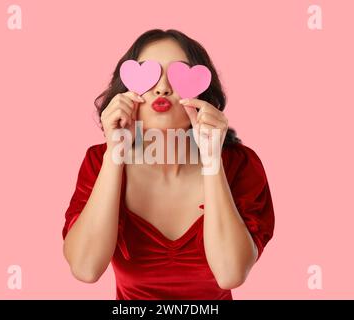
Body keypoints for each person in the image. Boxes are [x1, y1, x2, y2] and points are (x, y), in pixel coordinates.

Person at [62, 29, 275, 300]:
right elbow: (85, 268)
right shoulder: (98, 161)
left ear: (202, 92)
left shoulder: (241, 165)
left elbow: (231, 273)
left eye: (178, 74)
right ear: (125, 91)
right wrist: (115, 156)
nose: (162, 88)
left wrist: (212, 161)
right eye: (149, 75)